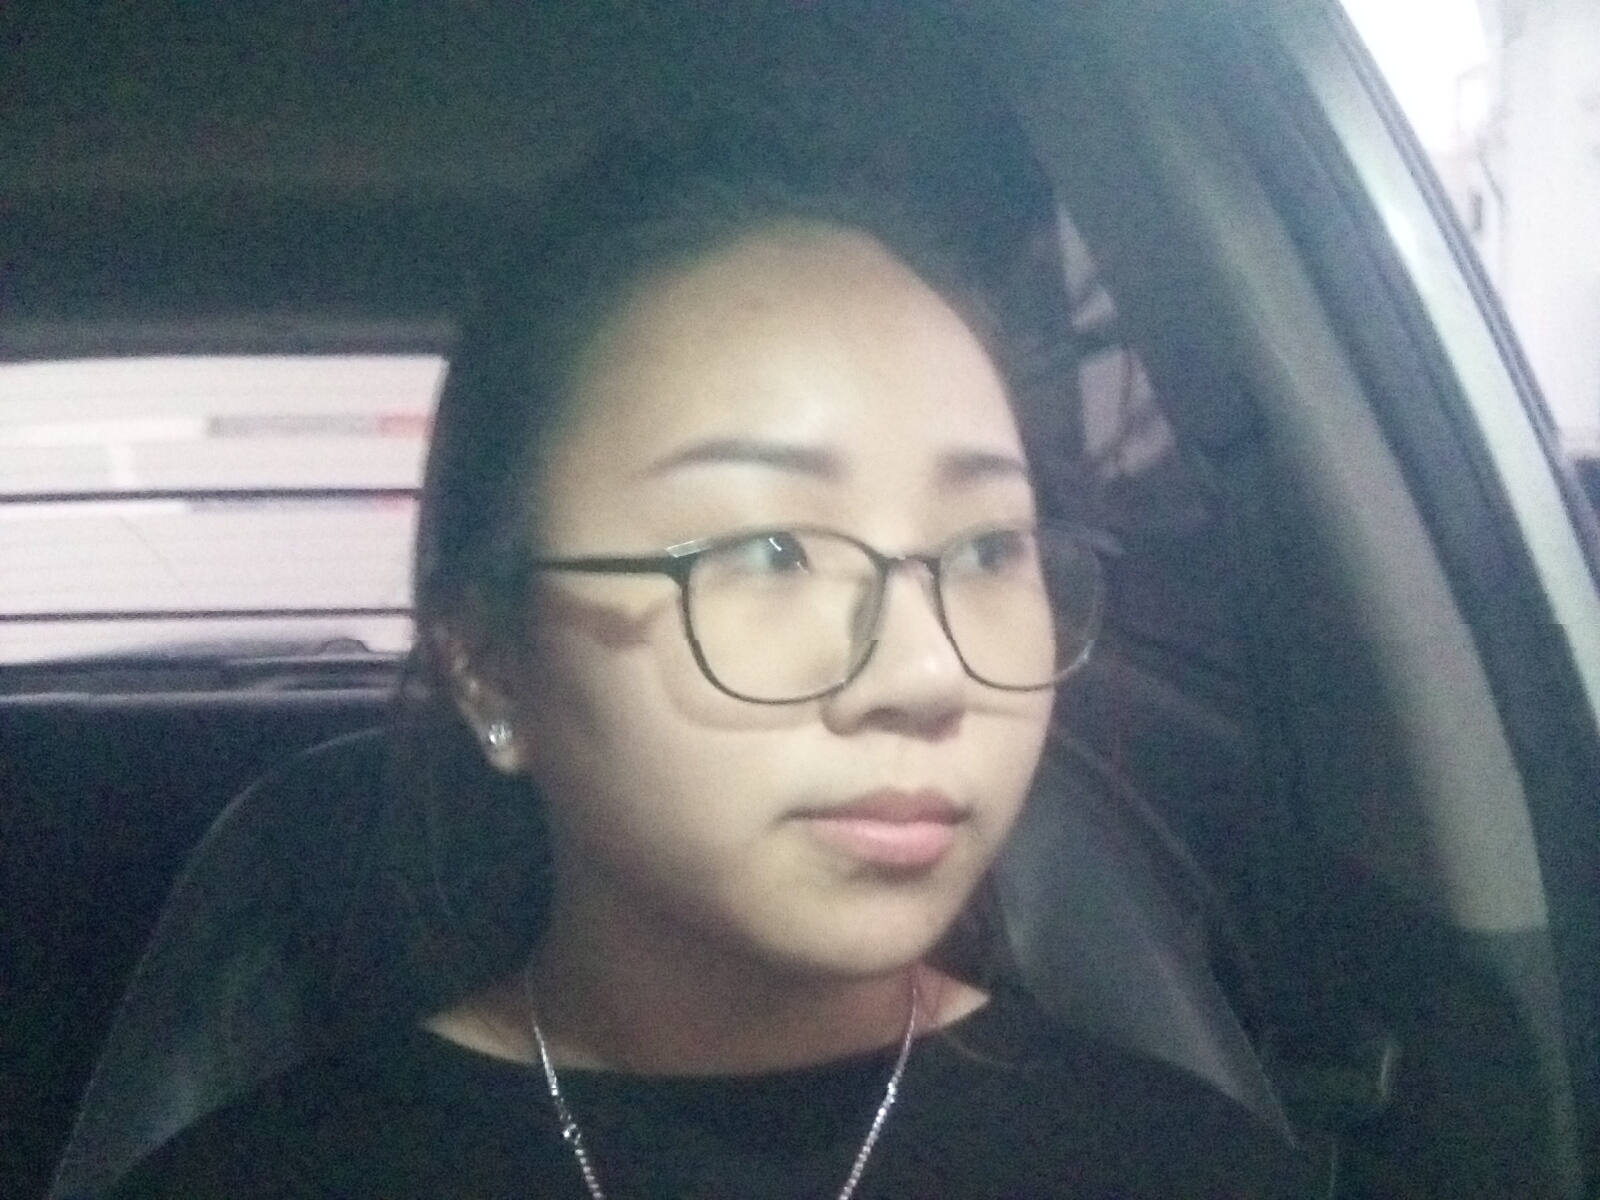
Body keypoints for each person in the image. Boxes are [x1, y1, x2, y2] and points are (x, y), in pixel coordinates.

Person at [108, 132, 1316, 1198]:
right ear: (489, 665)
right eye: (769, 551)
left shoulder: (1187, 1168)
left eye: (988, 548)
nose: (924, 674)